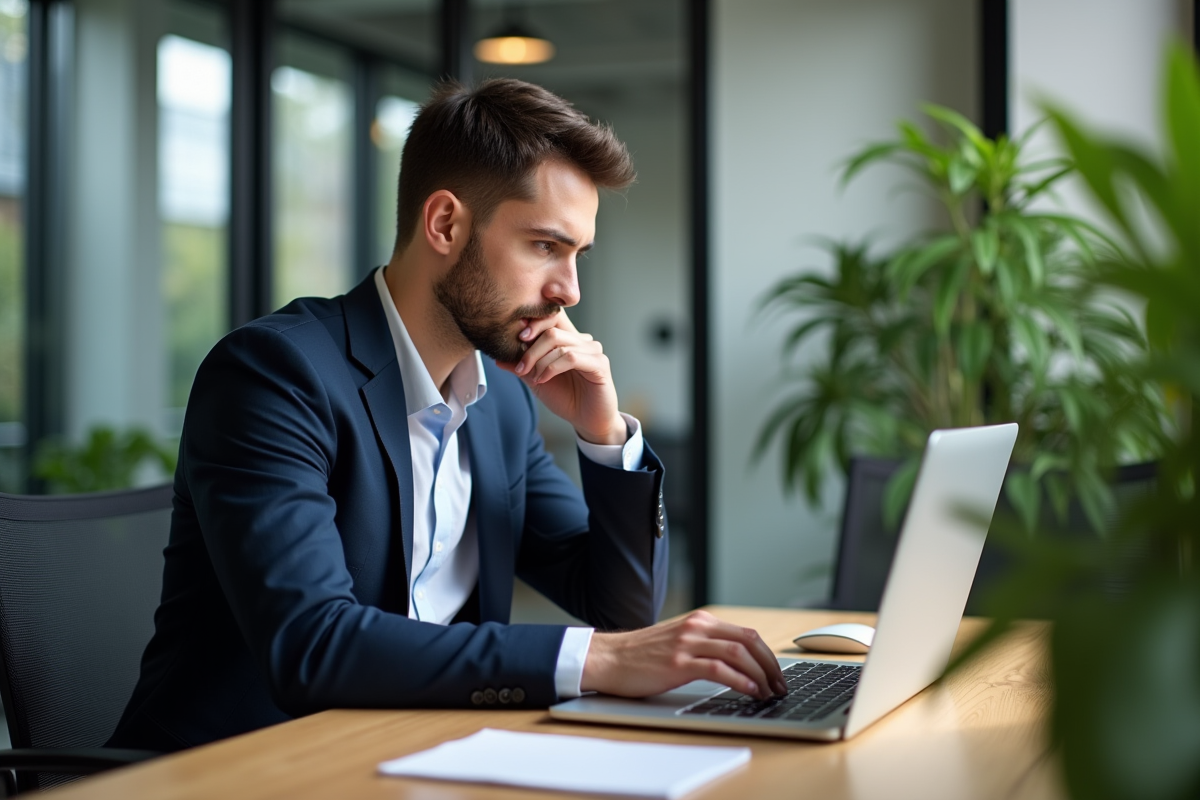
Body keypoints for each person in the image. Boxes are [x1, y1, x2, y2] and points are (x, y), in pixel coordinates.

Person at [109, 78, 785, 753]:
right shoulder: (274, 375)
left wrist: (603, 436)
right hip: (238, 770)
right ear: (445, 224)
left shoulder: (501, 406)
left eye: (578, 255)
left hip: (418, 754)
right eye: (545, 247)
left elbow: (621, 611)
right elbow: (312, 645)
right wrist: (594, 661)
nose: (569, 291)